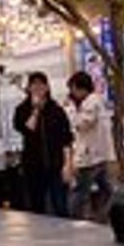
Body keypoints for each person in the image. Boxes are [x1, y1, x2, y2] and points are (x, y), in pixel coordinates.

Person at [13, 71, 74, 217]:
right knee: (36, 204)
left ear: (47, 87)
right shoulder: (22, 110)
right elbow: (27, 129)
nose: (38, 88)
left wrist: (68, 164)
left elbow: (66, 138)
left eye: (42, 85)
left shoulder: (57, 110)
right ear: (29, 88)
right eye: (34, 85)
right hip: (33, 164)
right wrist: (36, 110)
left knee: (59, 204)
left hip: (55, 163)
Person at [66, 70, 115, 222]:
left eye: (72, 89)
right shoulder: (97, 101)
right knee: (105, 188)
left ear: (79, 87)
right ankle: (103, 215)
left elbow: (81, 124)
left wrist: (70, 110)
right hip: (99, 154)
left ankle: (74, 217)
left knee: (81, 189)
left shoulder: (90, 103)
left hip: (90, 155)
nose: (71, 93)